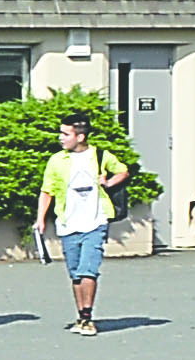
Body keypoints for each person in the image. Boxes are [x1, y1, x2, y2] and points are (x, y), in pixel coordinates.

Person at [33, 113, 134, 337]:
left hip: (95, 221)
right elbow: (46, 190)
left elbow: (123, 170)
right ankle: (81, 315)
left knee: (89, 269)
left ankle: (88, 317)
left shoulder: (99, 155)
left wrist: (108, 182)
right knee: (76, 274)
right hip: (68, 223)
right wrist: (41, 218)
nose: (60, 138)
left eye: (65, 134)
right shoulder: (57, 160)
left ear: (80, 137)